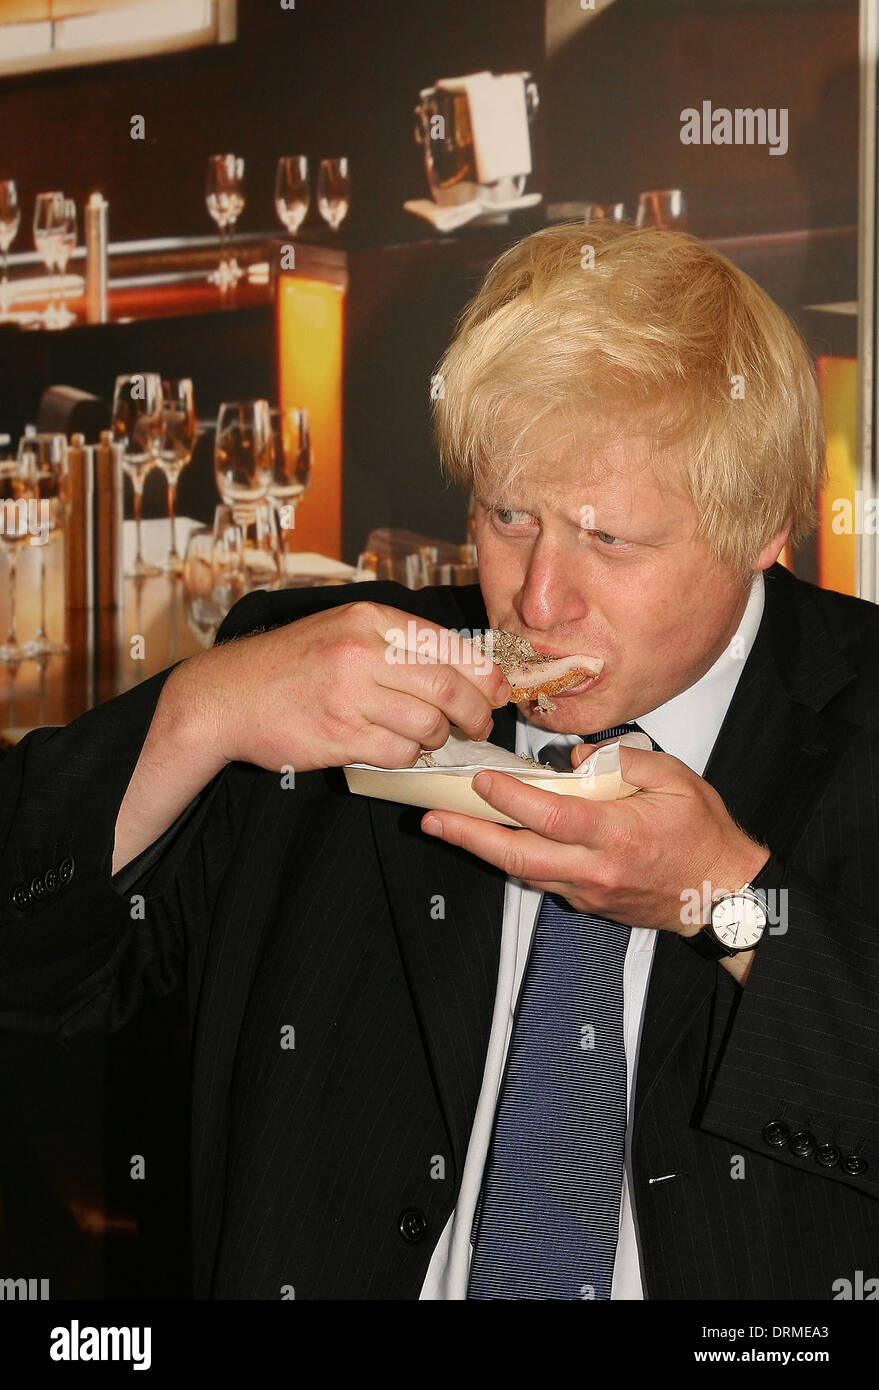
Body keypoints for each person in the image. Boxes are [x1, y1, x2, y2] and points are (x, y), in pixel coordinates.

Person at [1, 223, 877, 1300]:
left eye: (609, 541)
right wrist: (198, 714)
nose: (539, 599)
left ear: (764, 532)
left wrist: (730, 901)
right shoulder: (330, 674)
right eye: (509, 516)